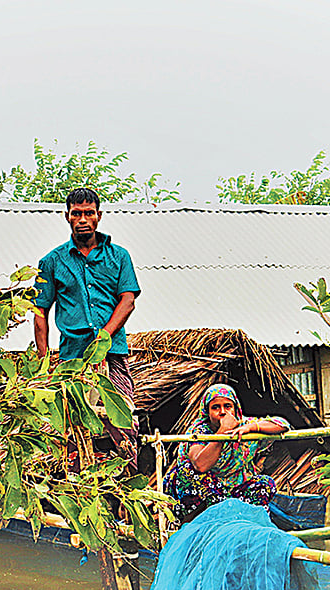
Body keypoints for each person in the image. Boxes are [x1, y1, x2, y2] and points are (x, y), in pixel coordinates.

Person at [33, 187, 141, 468]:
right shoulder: (52, 262)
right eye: (76, 213)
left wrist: (104, 339)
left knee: (124, 424)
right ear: (66, 217)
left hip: (113, 353)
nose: (83, 219)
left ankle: (127, 496)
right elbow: (39, 311)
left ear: (99, 216)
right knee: (72, 430)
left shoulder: (119, 256)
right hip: (73, 360)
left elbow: (127, 301)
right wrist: (44, 362)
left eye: (88, 213)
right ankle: (76, 494)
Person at [163, 383, 290, 522]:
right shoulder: (199, 430)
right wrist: (222, 433)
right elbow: (200, 465)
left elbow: (282, 424)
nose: (222, 412)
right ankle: (196, 523)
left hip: (233, 491)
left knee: (265, 484)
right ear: (207, 412)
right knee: (187, 472)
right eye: (216, 407)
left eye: (228, 406)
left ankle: (240, 519)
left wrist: (252, 427)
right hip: (205, 495)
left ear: (235, 408)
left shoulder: (244, 425)